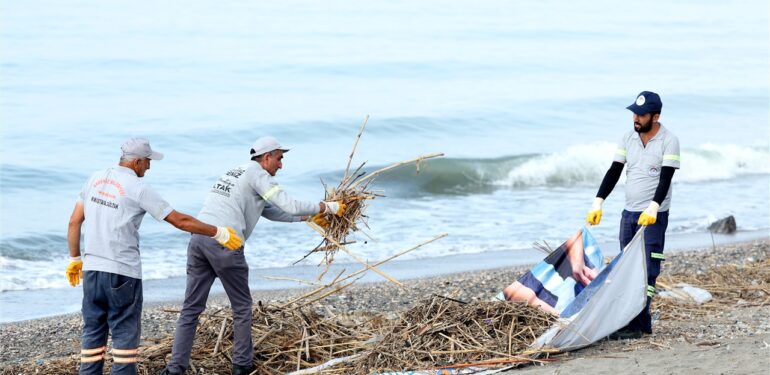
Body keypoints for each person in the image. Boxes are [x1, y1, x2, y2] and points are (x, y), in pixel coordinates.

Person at [162, 136, 345, 375]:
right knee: (242, 308)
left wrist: (309, 218)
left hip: (199, 240)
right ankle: (242, 366)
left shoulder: (237, 172)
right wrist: (327, 207)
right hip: (225, 242)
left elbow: (271, 211)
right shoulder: (258, 173)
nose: (281, 165)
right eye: (279, 158)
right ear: (266, 157)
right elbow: (289, 204)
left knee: (191, 309)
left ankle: (175, 368)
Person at [66, 138, 243, 375]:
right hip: (121, 273)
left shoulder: (95, 178)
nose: (149, 167)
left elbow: (74, 221)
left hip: (92, 271)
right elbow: (179, 220)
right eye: (148, 162)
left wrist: (75, 259)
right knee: (124, 343)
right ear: (137, 161)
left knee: (92, 337)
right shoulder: (138, 188)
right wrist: (218, 232)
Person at [586, 91, 680, 339]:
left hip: (653, 216)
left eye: (641, 115)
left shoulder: (669, 140)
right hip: (629, 214)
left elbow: (666, 177)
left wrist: (654, 206)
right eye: (634, 114)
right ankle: (634, 323)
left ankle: (639, 324)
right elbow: (614, 170)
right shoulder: (628, 137)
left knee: (648, 270)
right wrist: (598, 202)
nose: (636, 119)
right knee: (626, 269)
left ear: (656, 116)